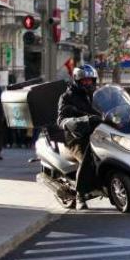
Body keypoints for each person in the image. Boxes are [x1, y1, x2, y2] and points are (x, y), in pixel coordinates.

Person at [57, 64, 102, 210]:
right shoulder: (67, 96)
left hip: (99, 133)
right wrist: (77, 121)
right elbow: (61, 119)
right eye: (85, 81)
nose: (88, 83)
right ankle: (80, 195)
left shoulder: (97, 95)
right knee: (87, 158)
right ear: (77, 80)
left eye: (90, 80)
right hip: (77, 136)